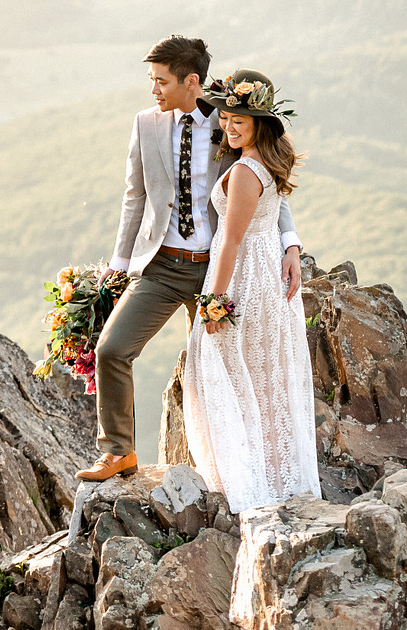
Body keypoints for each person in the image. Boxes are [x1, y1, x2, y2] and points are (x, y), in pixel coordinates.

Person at [75, 36, 303, 482]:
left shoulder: (231, 121)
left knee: (215, 370)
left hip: (217, 266)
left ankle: (231, 463)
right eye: (151, 81)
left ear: (191, 81)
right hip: (161, 265)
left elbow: (264, 177)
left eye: (160, 81)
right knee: (112, 349)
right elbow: (134, 197)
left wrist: (290, 240)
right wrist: (119, 266)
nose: (153, 90)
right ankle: (118, 452)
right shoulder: (145, 124)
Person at [182, 69, 320, 512]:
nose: (229, 125)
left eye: (239, 119)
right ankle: (272, 479)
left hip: (245, 277)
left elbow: (231, 240)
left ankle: (246, 485)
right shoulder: (268, 163)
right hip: (264, 275)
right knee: (263, 377)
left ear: (261, 120)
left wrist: (214, 301)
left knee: (226, 372)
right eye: (225, 117)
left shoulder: (244, 171)